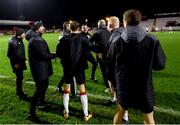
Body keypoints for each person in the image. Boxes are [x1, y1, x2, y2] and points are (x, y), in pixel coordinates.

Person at [107, 9, 166, 124]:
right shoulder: (152, 40)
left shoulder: (116, 41)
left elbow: (109, 64)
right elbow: (160, 65)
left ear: (124, 22)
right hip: (144, 86)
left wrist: (113, 84)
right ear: (139, 21)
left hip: (123, 85)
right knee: (149, 118)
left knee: (120, 112)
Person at [58, 21, 92, 121]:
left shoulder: (64, 38)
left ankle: (66, 111)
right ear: (79, 28)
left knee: (66, 89)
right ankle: (86, 114)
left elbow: (59, 53)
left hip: (68, 67)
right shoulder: (83, 38)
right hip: (79, 68)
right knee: (82, 90)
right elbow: (90, 48)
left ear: (70, 28)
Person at [27, 21, 56, 121]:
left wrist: (51, 54)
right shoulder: (36, 39)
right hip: (39, 69)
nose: (44, 28)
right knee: (38, 90)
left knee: (44, 85)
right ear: (38, 29)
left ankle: (41, 104)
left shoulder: (37, 38)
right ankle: (31, 113)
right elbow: (44, 55)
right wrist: (54, 55)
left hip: (42, 68)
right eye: (42, 27)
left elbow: (43, 53)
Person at [107, 16, 129, 123]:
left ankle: (124, 116)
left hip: (119, 72)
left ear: (110, 25)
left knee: (119, 95)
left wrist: (110, 77)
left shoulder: (113, 37)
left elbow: (111, 59)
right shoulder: (126, 31)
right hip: (132, 71)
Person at [89, 19, 111, 92]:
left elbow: (88, 43)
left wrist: (96, 50)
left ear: (98, 25)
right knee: (110, 71)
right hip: (110, 55)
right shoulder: (110, 32)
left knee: (104, 71)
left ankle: (108, 87)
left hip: (101, 55)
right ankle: (113, 87)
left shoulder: (97, 33)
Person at [7, 27, 28, 100]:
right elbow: (10, 54)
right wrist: (15, 63)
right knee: (19, 77)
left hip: (20, 62)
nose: (25, 34)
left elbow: (21, 53)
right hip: (17, 63)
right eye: (23, 33)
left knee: (20, 77)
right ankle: (20, 93)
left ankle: (18, 91)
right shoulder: (13, 42)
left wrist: (25, 60)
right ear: (19, 34)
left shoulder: (19, 40)